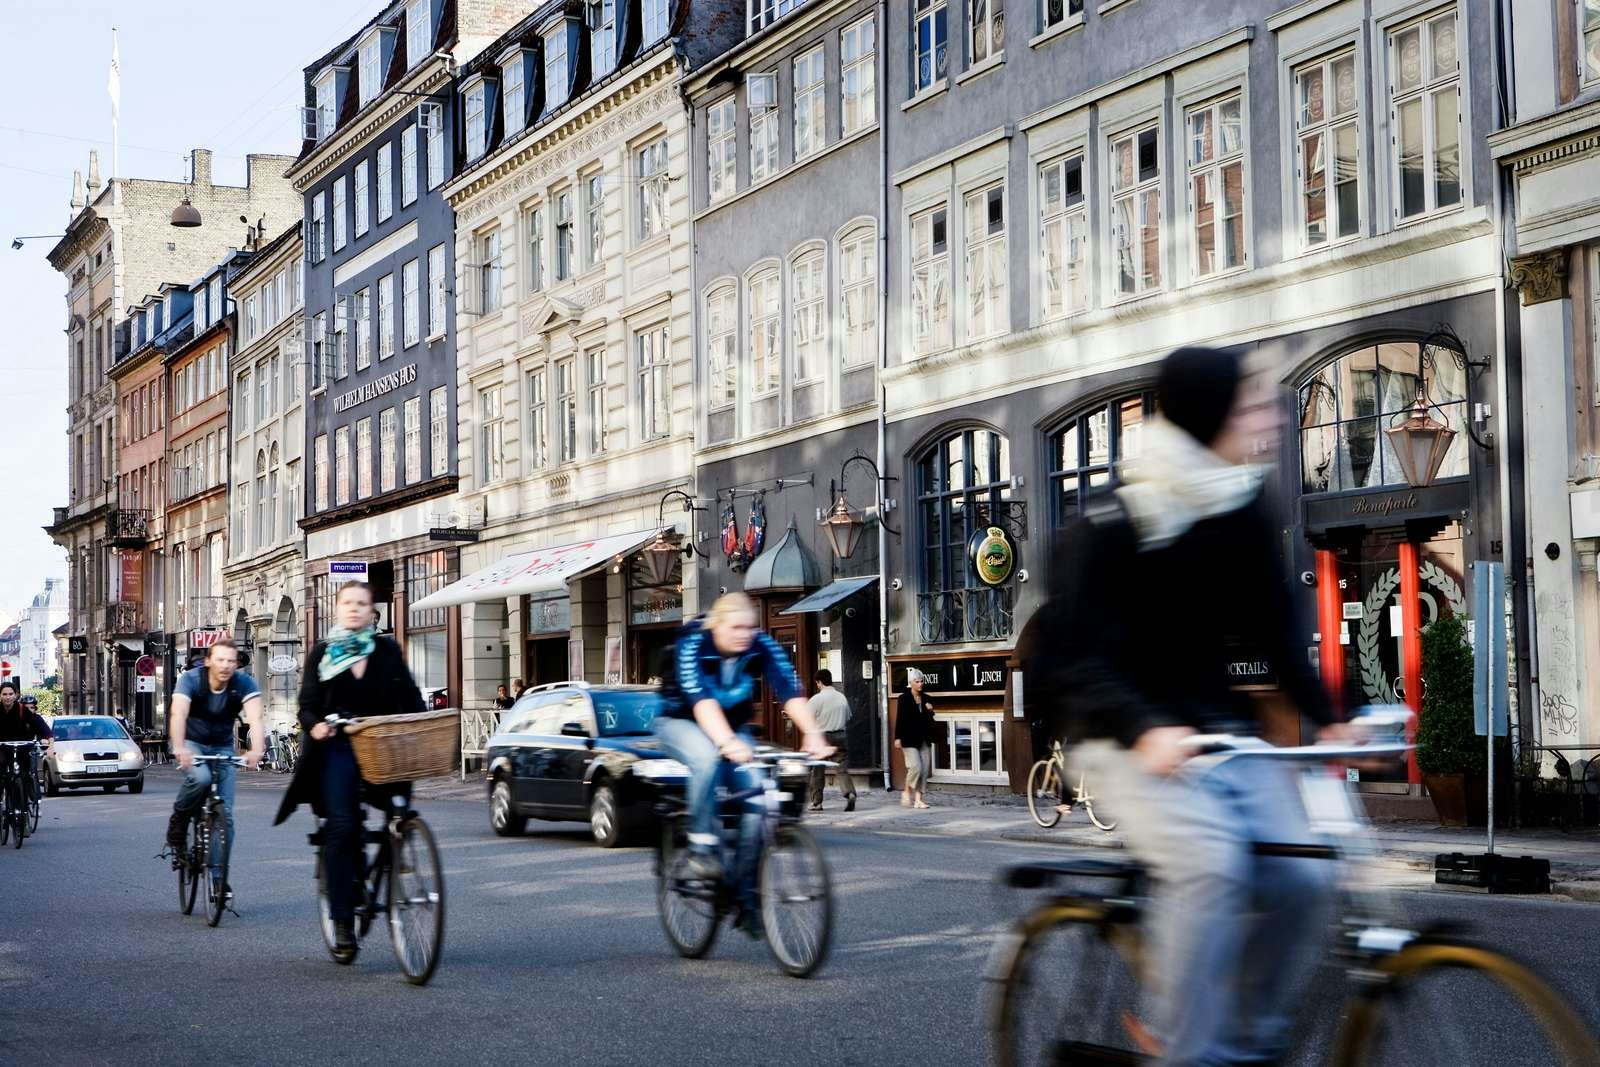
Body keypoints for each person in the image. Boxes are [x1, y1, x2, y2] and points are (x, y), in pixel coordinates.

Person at [1043, 346, 1344, 1066]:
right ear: (1210, 415)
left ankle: (1246, 1038)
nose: (1270, 417)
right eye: (1251, 405)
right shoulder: (1117, 516)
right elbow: (1074, 653)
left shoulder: (1241, 503)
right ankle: (1187, 1050)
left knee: (1307, 871)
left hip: (1216, 733)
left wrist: (1337, 713)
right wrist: (1145, 728)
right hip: (1119, 733)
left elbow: (1278, 627)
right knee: (1212, 862)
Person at [274, 580, 424, 964]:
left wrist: (418, 723)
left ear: (373, 612)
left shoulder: (387, 649)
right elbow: (306, 706)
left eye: (363, 603)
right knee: (343, 826)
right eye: (348, 603)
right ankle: (343, 920)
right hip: (337, 746)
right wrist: (316, 726)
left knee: (401, 811)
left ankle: (395, 857)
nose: (355, 609)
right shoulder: (322, 652)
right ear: (337, 609)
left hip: (382, 747)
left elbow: (411, 698)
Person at [655, 592, 832, 896]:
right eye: (735, 628)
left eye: (749, 628)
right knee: (707, 759)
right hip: (680, 721)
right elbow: (702, 701)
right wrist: (726, 742)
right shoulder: (694, 644)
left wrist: (813, 733)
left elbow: (789, 689)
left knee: (760, 798)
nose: (744, 635)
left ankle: (746, 889)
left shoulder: (759, 643)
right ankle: (700, 846)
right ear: (716, 625)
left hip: (733, 726)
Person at [165, 640, 265, 898]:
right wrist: (179, 746)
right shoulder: (190, 679)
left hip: (222, 746)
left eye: (231, 661)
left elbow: (255, 718)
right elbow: (178, 714)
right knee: (201, 777)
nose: (226, 666)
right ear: (208, 661)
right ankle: (180, 818)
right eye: (220, 660)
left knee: (226, 817)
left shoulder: (243, 684)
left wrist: (257, 749)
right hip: (192, 742)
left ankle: (219, 879)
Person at [806, 669, 856, 812]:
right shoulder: (841, 697)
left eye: (817, 683)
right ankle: (849, 793)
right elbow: (848, 717)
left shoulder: (817, 699)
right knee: (841, 769)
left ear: (819, 682)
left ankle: (817, 802)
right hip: (840, 735)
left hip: (822, 737)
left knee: (817, 770)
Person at [0, 681, 52, 806]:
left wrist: (50, 746)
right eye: (4, 694)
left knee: (25, 773)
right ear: (0, 696)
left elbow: (44, 730)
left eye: (10, 694)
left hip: (23, 748)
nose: (8, 697)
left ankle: (26, 797)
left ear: (15, 695)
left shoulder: (23, 710)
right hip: (2, 748)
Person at [893, 670, 936, 809]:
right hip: (908, 739)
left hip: (924, 738)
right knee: (915, 767)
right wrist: (897, 737)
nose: (920, 684)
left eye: (921, 681)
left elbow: (930, 720)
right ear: (910, 683)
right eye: (916, 681)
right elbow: (900, 719)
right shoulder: (903, 698)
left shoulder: (927, 698)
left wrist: (930, 711)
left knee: (924, 770)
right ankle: (906, 791)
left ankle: (918, 800)